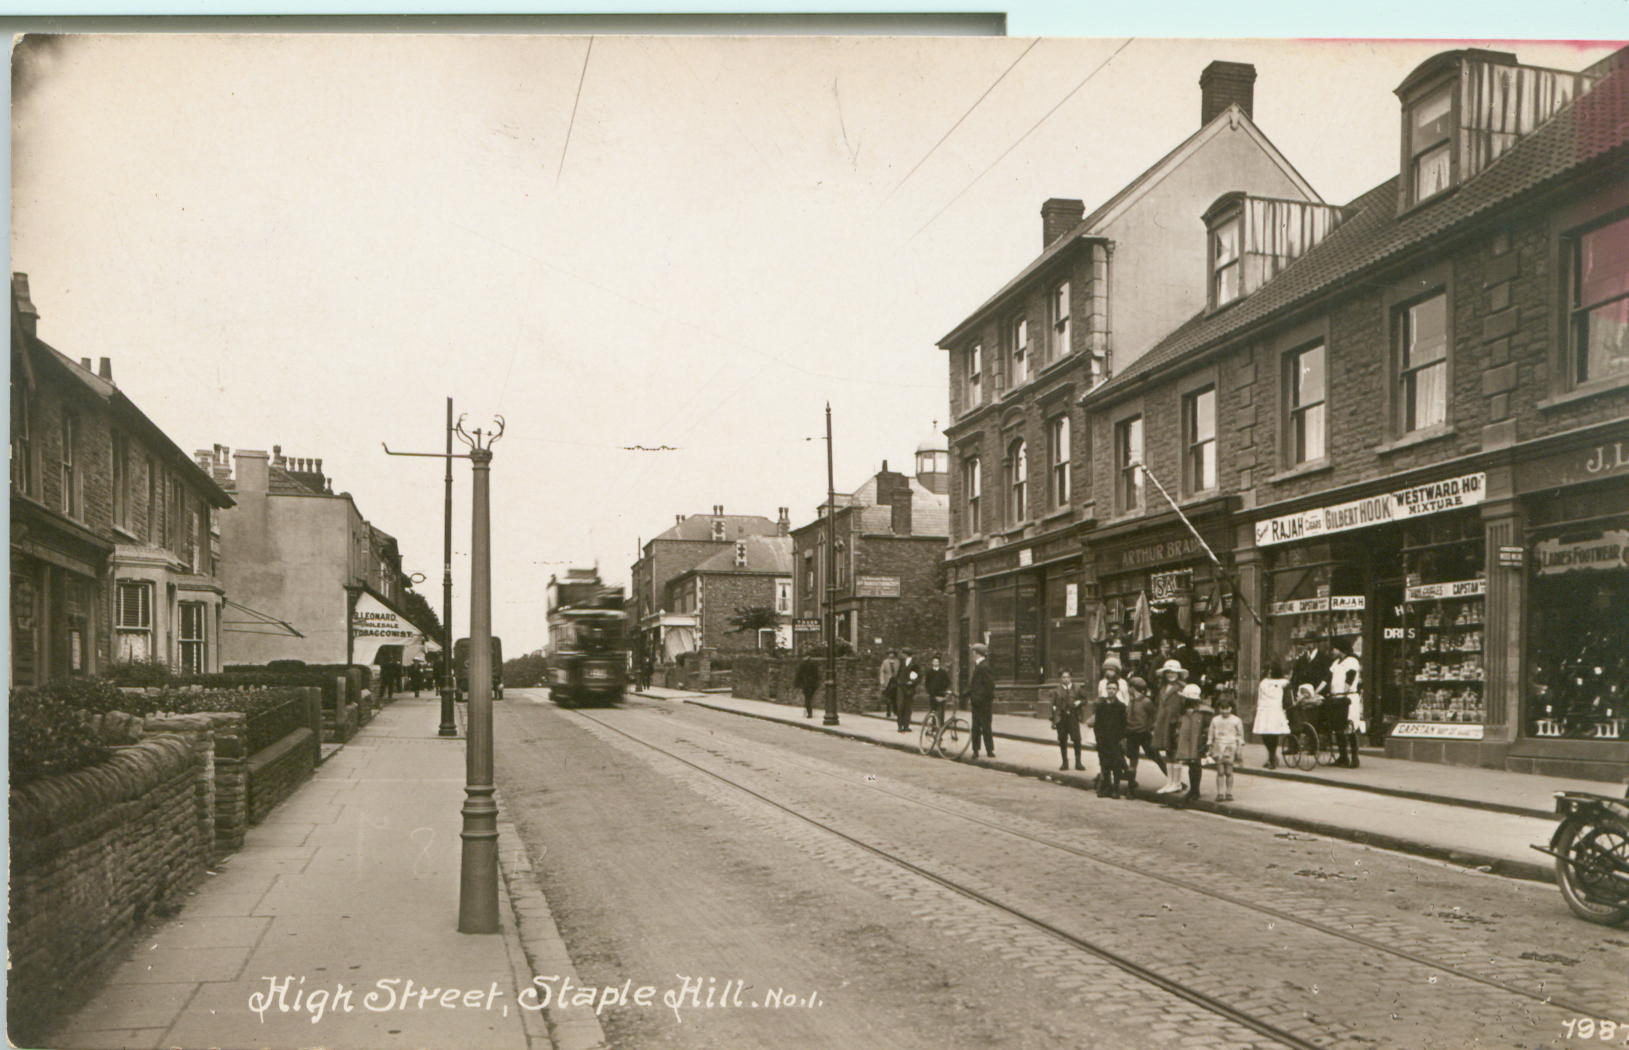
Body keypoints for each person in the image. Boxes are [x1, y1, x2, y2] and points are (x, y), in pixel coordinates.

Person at [1167, 684, 1214, 802]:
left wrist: (1205, 741)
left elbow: (1208, 728)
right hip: (1187, 741)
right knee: (1191, 765)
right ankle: (1193, 790)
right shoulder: (1184, 712)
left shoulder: (1204, 712)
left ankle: (1195, 790)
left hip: (1197, 742)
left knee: (1195, 766)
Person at [1122, 673, 1166, 792]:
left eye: (1129, 687)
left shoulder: (1146, 702)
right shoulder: (1131, 701)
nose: (1128, 689)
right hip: (1131, 734)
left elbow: (1154, 716)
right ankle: (1131, 787)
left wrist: (1149, 727)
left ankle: (1173, 780)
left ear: (1133, 688)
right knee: (1133, 760)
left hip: (1144, 734)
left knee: (1156, 757)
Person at [1089, 671, 1129, 798]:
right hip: (1103, 740)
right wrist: (1098, 738)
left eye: (1114, 689)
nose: (1111, 691)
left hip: (1115, 741)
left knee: (1116, 765)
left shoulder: (1121, 706)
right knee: (1104, 764)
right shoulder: (1101, 706)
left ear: (1117, 690)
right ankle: (1106, 788)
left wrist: (1121, 739)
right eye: (1109, 688)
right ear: (1106, 689)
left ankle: (1116, 789)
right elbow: (1097, 724)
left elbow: (1124, 725)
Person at [1151, 659, 1189, 793]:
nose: (1171, 674)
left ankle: (1177, 783)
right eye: (1168, 672)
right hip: (1164, 723)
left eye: (1174, 672)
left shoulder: (1182, 688)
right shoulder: (1162, 687)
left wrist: (1180, 721)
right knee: (1168, 752)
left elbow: (1186, 706)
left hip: (1175, 723)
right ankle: (1170, 782)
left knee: (1175, 752)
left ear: (1179, 674)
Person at [1329, 640, 1363, 768]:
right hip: (1337, 697)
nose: (1333, 651)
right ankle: (1343, 757)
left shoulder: (1351, 661)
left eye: (1335, 649)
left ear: (1341, 649)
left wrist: (1344, 692)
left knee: (1350, 727)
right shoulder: (1336, 663)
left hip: (1348, 698)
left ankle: (1354, 757)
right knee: (1338, 727)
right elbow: (1329, 678)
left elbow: (1350, 678)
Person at [1253, 661, 1291, 769]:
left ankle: (1272, 757)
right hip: (1264, 710)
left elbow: (1287, 697)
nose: (1269, 673)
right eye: (1268, 671)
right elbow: (1260, 697)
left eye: (1271, 671)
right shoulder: (1263, 682)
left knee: (1273, 734)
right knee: (1264, 734)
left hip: (1275, 710)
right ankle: (1271, 756)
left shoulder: (1283, 683)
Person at [1208, 696, 1246, 801]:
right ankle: (1220, 792)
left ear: (1231, 708)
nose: (1225, 711)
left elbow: (1240, 735)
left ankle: (1229, 792)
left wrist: (1239, 748)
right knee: (1220, 771)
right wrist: (1210, 744)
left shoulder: (1236, 720)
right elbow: (1211, 734)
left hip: (1231, 747)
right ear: (1219, 708)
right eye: (1222, 708)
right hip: (1218, 746)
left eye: (1227, 708)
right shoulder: (1215, 720)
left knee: (1229, 771)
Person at [1051, 670, 1086, 771]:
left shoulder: (1077, 688)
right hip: (1061, 717)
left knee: (1077, 739)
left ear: (1071, 678)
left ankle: (1078, 763)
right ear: (1060, 679)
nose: (1066, 679)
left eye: (1067, 677)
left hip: (1073, 717)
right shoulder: (1057, 690)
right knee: (1062, 740)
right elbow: (1053, 705)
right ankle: (1064, 763)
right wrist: (1053, 720)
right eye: (1063, 677)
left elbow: (1085, 700)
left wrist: (1079, 702)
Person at [967, 643, 996, 759]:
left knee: (984, 727)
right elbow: (974, 685)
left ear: (977, 653)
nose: (972, 655)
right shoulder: (979, 665)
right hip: (978, 702)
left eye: (973, 652)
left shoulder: (984, 666)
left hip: (983, 703)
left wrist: (980, 697)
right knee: (978, 727)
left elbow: (989, 685)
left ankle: (987, 750)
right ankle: (978, 750)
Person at [895, 649, 920, 732]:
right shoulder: (901, 663)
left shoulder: (914, 664)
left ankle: (906, 726)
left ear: (906, 654)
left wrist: (912, 682)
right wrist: (898, 681)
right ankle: (900, 726)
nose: (901, 655)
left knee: (908, 707)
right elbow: (898, 674)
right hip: (901, 687)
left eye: (903, 654)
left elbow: (918, 675)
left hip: (909, 688)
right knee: (900, 706)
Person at [924, 656, 951, 725]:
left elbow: (948, 681)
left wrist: (944, 689)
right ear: (932, 662)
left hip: (941, 694)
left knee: (941, 710)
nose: (935, 663)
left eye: (937, 662)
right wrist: (929, 691)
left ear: (939, 663)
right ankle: (934, 724)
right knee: (933, 710)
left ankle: (941, 724)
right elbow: (927, 683)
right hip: (932, 694)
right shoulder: (929, 672)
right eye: (934, 661)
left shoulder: (943, 672)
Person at [794, 653, 822, 719]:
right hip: (813, 685)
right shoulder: (814, 664)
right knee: (809, 698)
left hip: (806, 684)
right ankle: (809, 711)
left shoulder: (803, 664)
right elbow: (817, 675)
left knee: (807, 698)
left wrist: (796, 684)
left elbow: (798, 674)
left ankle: (809, 713)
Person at [878, 650, 901, 719]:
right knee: (888, 697)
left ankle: (895, 711)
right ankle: (888, 712)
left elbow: (900, 671)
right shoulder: (885, 662)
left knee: (895, 697)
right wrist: (882, 681)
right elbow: (882, 671)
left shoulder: (898, 662)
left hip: (896, 681)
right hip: (888, 681)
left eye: (892, 653)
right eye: (890, 653)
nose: (891, 655)